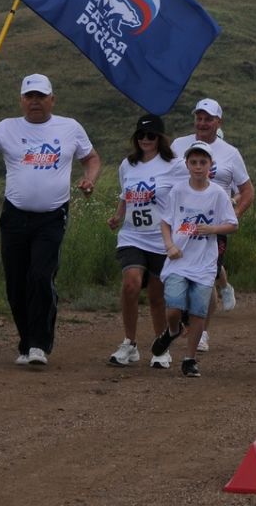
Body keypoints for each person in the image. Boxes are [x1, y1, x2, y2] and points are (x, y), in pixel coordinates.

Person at [0, 73, 101, 367]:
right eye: (29, 97)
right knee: (16, 283)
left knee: (40, 277)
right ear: (21, 101)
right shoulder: (8, 127)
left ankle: (39, 344)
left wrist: (89, 178)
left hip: (52, 216)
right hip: (14, 217)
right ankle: (26, 342)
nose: (35, 102)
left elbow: (92, 158)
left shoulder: (70, 127)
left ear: (52, 100)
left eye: (41, 96)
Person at [170, 98, 254, 352]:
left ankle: (202, 331)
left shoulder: (230, 153)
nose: (202, 123)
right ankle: (192, 314)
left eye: (208, 119)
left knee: (205, 277)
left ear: (218, 122)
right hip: (182, 227)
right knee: (180, 275)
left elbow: (248, 191)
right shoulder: (178, 145)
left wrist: (232, 215)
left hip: (213, 229)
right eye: (199, 117)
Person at [150, 141, 238, 377]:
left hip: (204, 263)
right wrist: (169, 245)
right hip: (179, 260)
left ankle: (190, 359)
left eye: (203, 162)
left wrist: (212, 229)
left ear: (211, 165)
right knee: (173, 308)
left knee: (199, 311)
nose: (198, 167)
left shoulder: (218, 194)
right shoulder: (178, 191)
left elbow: (232, 225)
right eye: (193, 162)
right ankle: (172, 330)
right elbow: (166, 221)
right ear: (187, 165)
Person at [106, 114, 178, 369]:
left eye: (151, 136)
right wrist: (117, 216)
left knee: (157, 296)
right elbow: (125, 196)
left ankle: (161, 347)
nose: (145, 140)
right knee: (131, 284)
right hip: (132, 235)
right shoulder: (128, 165)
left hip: (161, 239)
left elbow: (186, 194)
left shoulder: (174, 165)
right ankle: (129, 343)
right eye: (141, 135)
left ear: (160, 138)